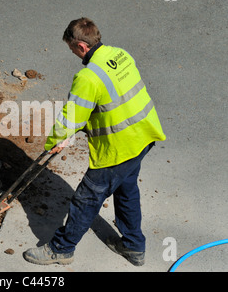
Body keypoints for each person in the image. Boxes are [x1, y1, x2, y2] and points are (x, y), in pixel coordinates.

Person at [23, 17, 166, 266]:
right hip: (142, 136)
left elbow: (73, 116)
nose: (72, 54)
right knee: (126, 190)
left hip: (118, 148)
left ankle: (61, 248)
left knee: (86, 198)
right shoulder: (120, 54)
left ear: (81, 46)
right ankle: (133, 246)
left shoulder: (88, 77)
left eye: (71, 49)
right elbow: (114, 97)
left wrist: (55, 141)